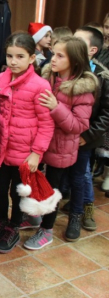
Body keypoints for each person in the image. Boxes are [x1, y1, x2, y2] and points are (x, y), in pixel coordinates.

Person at [23, 36, 96, 250]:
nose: (52, 59)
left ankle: (46, 231)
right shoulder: (49, 78)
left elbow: (78, 126)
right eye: (53, 53)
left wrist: (56, 107)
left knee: (51, 190)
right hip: (41, 145)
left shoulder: (81, 89)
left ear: (74, 60)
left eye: (59, 55)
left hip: (61, 150)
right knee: (36, 184)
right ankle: (36, 217)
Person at [0, 33, 55, 254]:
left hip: (24, 153)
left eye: (20, 56)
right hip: (1, 149)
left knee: (18, 192)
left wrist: (36, 153)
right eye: (9, 56)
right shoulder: (0, 79)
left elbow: (46, 124)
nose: (13, 61)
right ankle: (1, 223)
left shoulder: (40, 85)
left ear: (32, 58)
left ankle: (13, 228)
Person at [58, 27, 109, 238]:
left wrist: (86, 137)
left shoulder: (102, 76)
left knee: (81, 176)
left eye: (78, 41)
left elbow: (106, 114)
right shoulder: (63, 68)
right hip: (60, 136)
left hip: (83, 139)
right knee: (61, 177)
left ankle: (78, 214)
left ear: (92, 50)